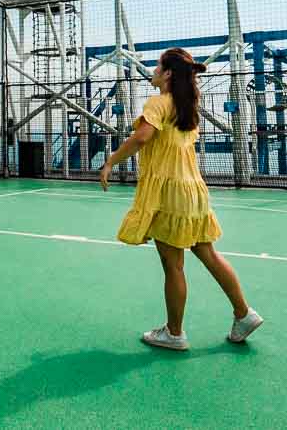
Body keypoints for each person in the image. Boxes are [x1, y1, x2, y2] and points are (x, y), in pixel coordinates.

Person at [99, 47, 262, 351]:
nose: (153, 71)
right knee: (209, 254)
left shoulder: (158, 103)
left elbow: (142, 137)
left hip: (170, 193)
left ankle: (174, 333)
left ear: (168, 73)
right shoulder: (188, 108)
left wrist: (110, 161)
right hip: (193, 191)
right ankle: (244, 313)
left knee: (173, 265)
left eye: (157, 66)